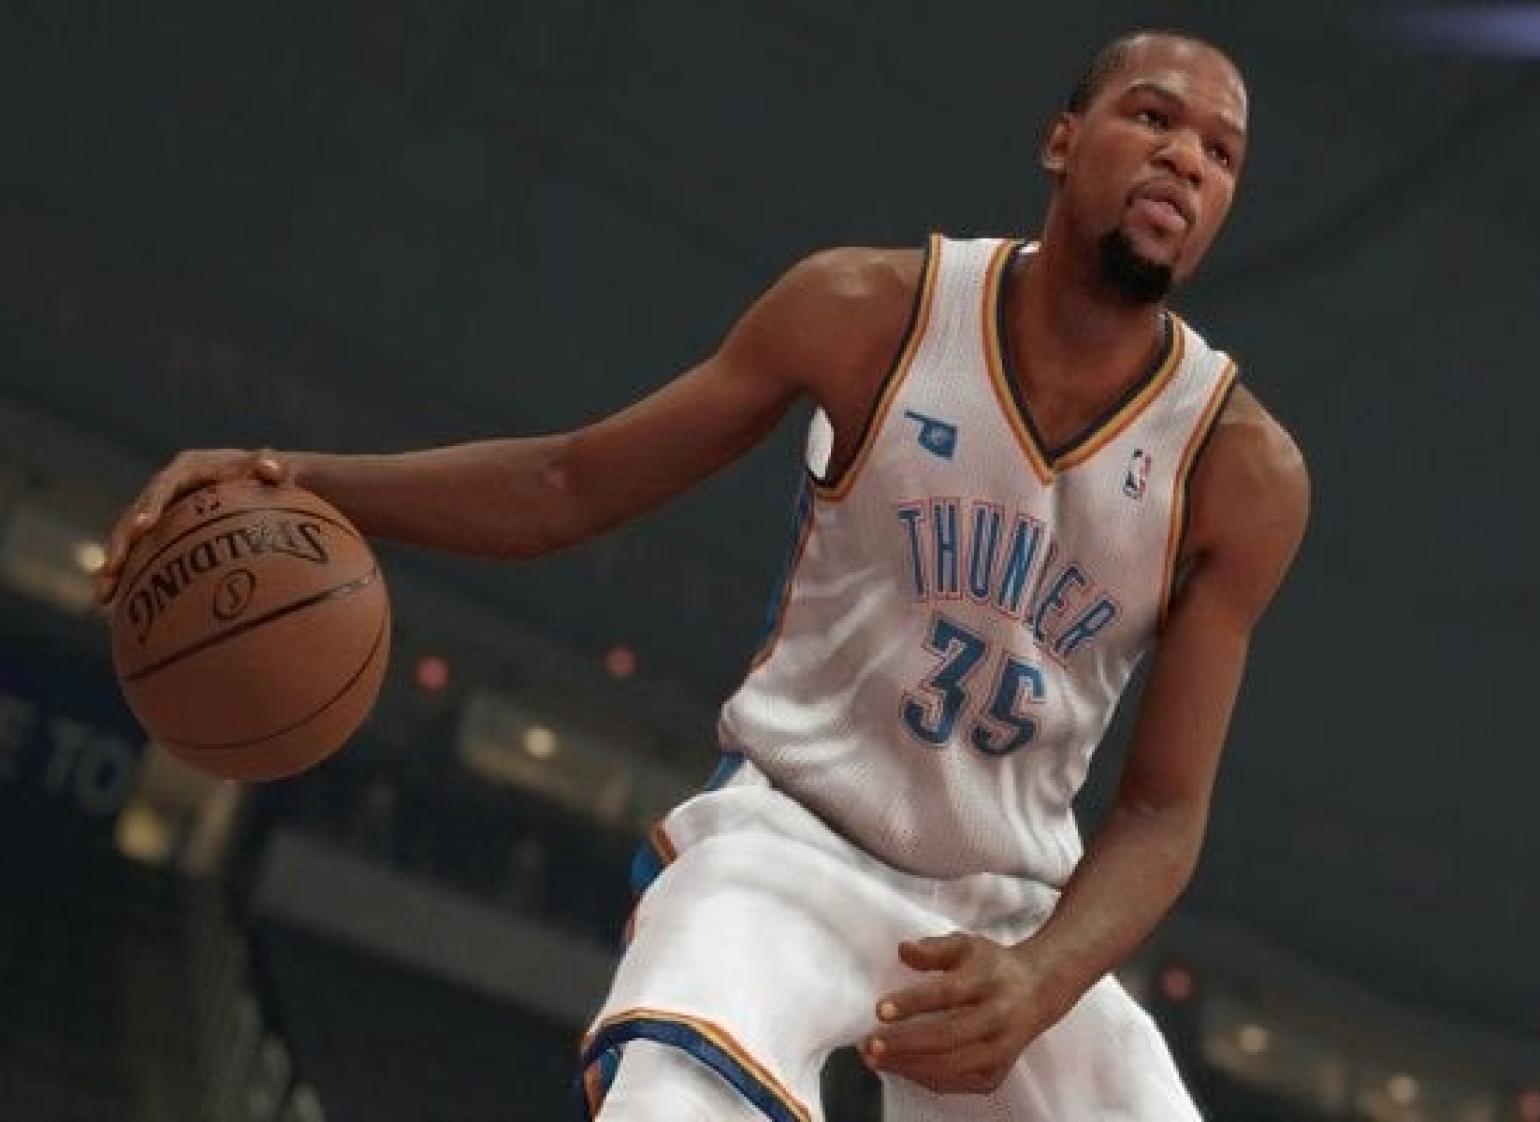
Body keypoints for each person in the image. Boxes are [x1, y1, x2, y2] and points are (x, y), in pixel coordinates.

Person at [97, 28, 1308, 1122]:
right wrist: (297, 480)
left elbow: (1160, 812)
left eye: (1221, 152)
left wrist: (1044, 977)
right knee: (672, 1099)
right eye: (1153, 117)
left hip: (1012, 919)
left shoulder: (1240, 472)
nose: (1186, 159)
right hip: (792, 841)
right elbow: (566, 484)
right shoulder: (868, 312)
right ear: (1061, 140)